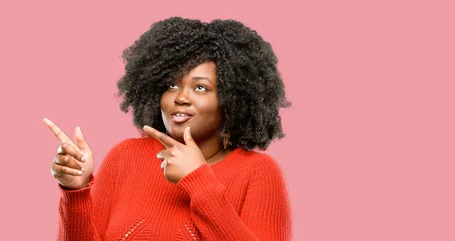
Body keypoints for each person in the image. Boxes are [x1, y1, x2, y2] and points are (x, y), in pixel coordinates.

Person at [43, 16, 292, 240]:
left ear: (232, 100)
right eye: (172, 85)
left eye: (200, 87)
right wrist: (75, 192)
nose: (180, 98)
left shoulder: (258, 172)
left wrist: (198, 181)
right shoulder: (124, 158)